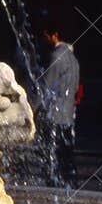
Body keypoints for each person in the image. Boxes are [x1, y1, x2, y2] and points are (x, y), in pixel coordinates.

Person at [40, 24, 80, 186]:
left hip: (54, 112)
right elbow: (76, 86)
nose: (44, 39)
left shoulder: (56, 57)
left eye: (45, 36)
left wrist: (33, 107)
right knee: (67, 151)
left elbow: (45, 86)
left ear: (54, 35)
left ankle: (53, 180)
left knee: (51, 151)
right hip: (69, 112)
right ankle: (70, 180)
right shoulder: (73, 58)